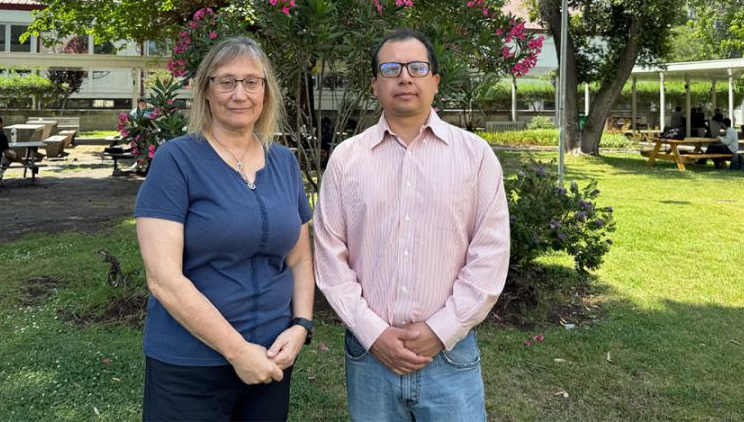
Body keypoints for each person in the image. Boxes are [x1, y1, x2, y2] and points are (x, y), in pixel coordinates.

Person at [313, 29, 510, 421]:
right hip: (371, 358)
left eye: (417, 68)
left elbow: (490, 254)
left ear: (435, 81)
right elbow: (329, 256)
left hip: (450, 355)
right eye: (391, 68)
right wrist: (373, 333)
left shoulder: (475, 157)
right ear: (374, 84)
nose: (405, 77)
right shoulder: (346, 159)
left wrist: (441, 330)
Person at [134, 36, 314, 422]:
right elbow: (163, 279)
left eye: (252, 81)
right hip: (191, 365)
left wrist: (301, 326)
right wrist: (237, 351)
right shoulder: (176, 160)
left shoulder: (284, 162)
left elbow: (299, 258)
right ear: (206, 92)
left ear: (266, 91)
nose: (240, 94)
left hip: (271, 360)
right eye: (226, 81)